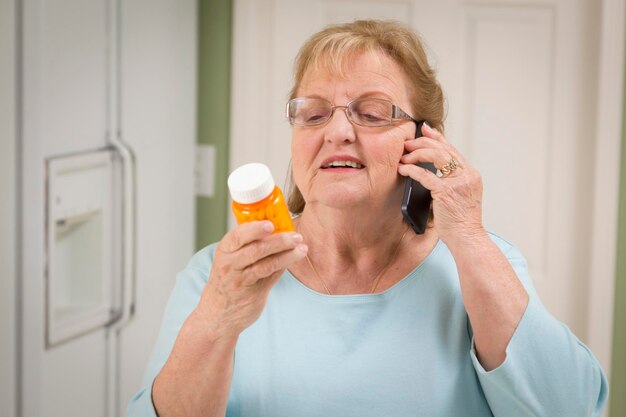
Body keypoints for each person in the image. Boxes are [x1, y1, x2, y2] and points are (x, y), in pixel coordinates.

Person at [127, 20, 608, 417]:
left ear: (424, 143)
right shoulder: (220, 278)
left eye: (373, 113)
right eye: (313, 115)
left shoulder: (480, 265)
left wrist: (467, 235)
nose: (337, 131)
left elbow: (572, 407)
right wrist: (218, 316)